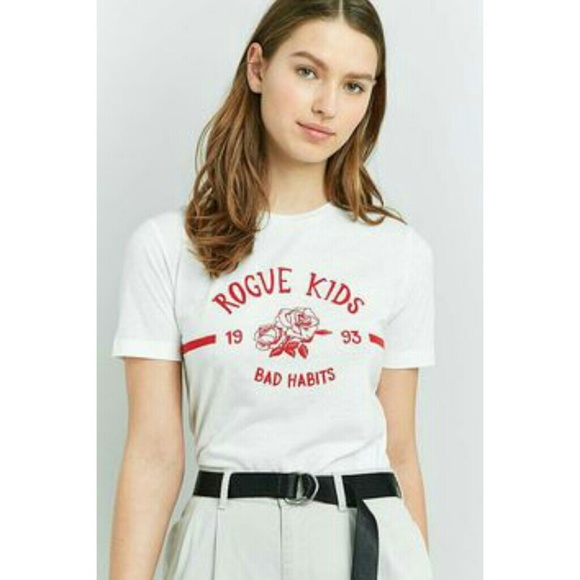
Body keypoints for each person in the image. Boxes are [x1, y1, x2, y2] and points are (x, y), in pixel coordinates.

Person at [109, 1, 437, 579]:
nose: (327, 105)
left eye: (354, 85)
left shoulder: (399, 252)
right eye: (308, 71)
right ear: (258, 68)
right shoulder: (167, 248)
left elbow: (400, 451)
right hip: (222, 542)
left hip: (363, 540)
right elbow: (154, 454)